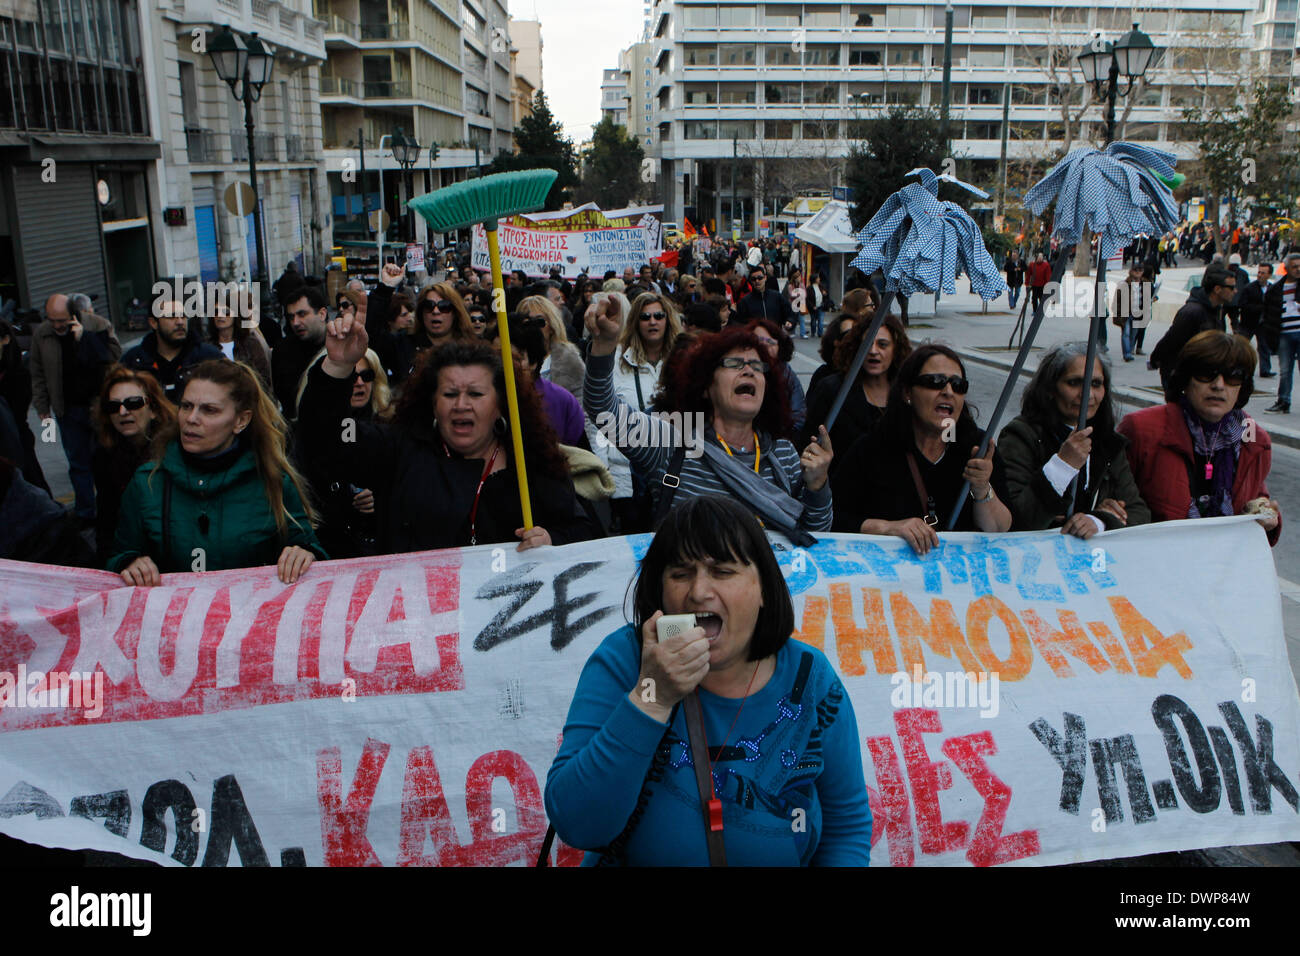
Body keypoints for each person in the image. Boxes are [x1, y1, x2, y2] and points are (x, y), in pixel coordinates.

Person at [544, 494, 871, 866]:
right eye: (681, 574)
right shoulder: (626, 659)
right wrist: (652, 697)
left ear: (763, 586)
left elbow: (846, 828)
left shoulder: (810, 677)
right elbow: (578, 824)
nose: (699, 592)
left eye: (723, 571)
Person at [297, 302, 598, 553]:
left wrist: (551, 540)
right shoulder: (399, 450)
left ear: (500, 405)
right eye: (450, 394)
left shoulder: (529, 457)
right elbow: (330, 435)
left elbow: (582, 529)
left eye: (476, 395)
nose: (461, 405)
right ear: (432, 402)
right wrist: (338, 368)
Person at [584, 301, 834, 543]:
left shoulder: (783, 453)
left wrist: (818, 486)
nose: (749, 371)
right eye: (734, 364)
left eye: (758, 367)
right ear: (706, 385)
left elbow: (814, 536)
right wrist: (604, 345)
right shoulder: (672, 441)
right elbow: (604, 412)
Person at [108, 360, 326, 584]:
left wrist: (305, 554)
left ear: (241, 420)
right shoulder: (148, 482)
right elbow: (118, 556)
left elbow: (309, 550)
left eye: (209, 410)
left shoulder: (273, 481)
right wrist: (128, 563)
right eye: (186, 406)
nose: (191, 419)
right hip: (174, 618)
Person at [831, 344, 1012, 552]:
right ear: (907, 392)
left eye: (958, 385)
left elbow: (1001, 528)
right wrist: (888, 527)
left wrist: (982, 489)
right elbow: (835, 519)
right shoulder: (873, 447)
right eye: (935, 382)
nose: (948, 391)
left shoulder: (977, 449)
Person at [1119, 331, 1281, 546]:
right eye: (1206, 374)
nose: (1219, 385)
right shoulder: (1141, 429)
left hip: (1221, 568)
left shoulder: (1253, 439)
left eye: (1233, 376)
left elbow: (1256, 496)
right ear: (1185, 380)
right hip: (1156, 561)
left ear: (1242, 387)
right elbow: (1112, 503)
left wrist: (1267, 519)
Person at [998, 344, 1150, 539]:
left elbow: (1139, 513)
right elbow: (1015, 521)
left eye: (1096, 384)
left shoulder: (1108, 443)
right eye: (1074, 383)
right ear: (1051, 388)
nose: (1087, 393)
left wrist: (1099, 521)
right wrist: (1062, 466)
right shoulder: (1020, 436)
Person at [30, 293, 123, 522]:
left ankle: (114, 509)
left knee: (106, 460)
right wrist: (42, 406)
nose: (57, 325)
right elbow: (38, 372)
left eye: (61, 320)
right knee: (78, 463)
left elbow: (114, 355)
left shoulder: (98, 324)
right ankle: (85, 513)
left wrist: (86, 338)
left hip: (99, 407)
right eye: (52, 320)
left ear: (74, 315)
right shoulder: (43, 334)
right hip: (67, 409)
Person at [294, 348, 390, 558]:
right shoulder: (301, 436)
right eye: (350, 376)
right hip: (325, 550)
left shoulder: (391, 429)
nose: (359, 383)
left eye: (366, 375)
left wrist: (381, 500)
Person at [600, 291, 681, 532]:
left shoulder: (683, 359)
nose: (653, 322)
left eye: (658, 315)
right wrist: (603, 463)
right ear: (636, 321)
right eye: (645, 317)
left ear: (668, 319)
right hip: (627, 471)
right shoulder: (616, 360)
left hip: (674, 470)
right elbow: (598, 415)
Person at [90, 366, 176, 563]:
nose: (123, 411)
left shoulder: (175, 450)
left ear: (153, 409)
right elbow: (106, 520)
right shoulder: (103, 456)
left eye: (133, 403)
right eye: (113, 406)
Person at [803, 312, 911, 461]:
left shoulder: (908, 393)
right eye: (867, 343)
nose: (873, 351)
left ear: (896, 349)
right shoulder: (833, 390)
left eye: (882, 344)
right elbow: (807, 443)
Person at [485, 316, 586, 447]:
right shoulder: (483, 400)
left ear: (533, 361)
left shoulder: (562, 401)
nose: (503, 364)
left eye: (514, 358)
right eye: (497, 356)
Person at [1149, 263, 1235, 393]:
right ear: (1217, 289)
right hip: (1181, 374)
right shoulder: (1192, 312)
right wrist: (1155, 360)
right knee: (1180, 411)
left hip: (1202, 374)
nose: (1235, 291)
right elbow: (1171, 340)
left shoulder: (1217, 310)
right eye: (1231, 287)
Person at [0, 318, 47, 492]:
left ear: (5, 339)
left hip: (16, 441)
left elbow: (16, 414)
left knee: (29, 485)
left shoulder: (18, 374)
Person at [270, 285, 329, 418]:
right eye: (291, 317)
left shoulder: (340, 347)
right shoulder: (282, 351)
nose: (295, 322)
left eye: (302, 314)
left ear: (322, 314)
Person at [747, 316, 806, 440]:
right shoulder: (740, 372)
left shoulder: (787, 375)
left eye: (770, 343)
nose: (764, 347)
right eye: (758, 341)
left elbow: (798, 416)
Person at [518, 295, 585, 403]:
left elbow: (582, 405)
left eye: (540, 322)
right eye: (527, 323)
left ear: (552, 327)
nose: (533, 328)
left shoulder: (569, 360)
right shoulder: (508, 360)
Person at [1261, 252, 1300, 413]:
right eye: (1294, 267)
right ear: (1286, 268)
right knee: (1285, 370)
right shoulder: (1276, 289)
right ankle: (1283, 401)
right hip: (1284, 333)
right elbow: (1269, 314)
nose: (1298, 269)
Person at [207, 298, 272, 388]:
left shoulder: (250, 343)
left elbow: (263, 379)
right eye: (216, 311)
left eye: (226, 311)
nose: (220, 315)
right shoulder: (207, 346)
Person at [412, 280, 477, 359]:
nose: (436, 311)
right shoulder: (402, 345)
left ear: (455, 312)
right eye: (429, 306)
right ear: (421, 312)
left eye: (444, 306)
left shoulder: (471, 351)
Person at [369, 293, 418, 388]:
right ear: (390, 320)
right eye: (404, 315)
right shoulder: (384, 343)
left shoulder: (410, 337)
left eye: (410, 312)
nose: (409, 318)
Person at [1238, 262, 1275, 379]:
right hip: (1248, 322)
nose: (1259, 275)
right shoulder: (1249, 288)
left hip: (1264, 323)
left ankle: (1265, 370)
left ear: (1269, 275)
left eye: (1263, 273)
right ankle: (1238, 368)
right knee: (1242, 346)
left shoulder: (1272, 289)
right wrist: (1260, 308)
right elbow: (1242, 304)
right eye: (1259, 272)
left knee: (1264, 347)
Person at [783, 267, 808, 338]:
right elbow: (791, 294)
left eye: (799, 277)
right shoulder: (790, 285)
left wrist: (798, 293)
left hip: (802, 303)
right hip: (794, 304)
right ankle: (792, 332)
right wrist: (799, 293)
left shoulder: (802, 285)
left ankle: (802, 333)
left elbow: (805, 294)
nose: (799, 278)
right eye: (798, 277)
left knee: (802, 319)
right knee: (793, 319)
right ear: (794, 278)